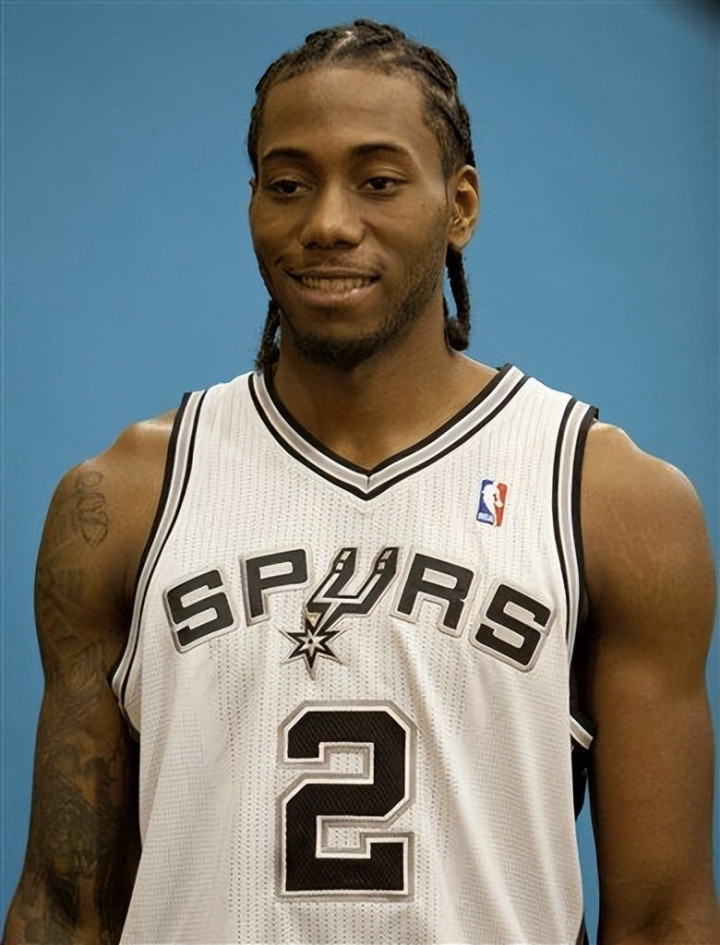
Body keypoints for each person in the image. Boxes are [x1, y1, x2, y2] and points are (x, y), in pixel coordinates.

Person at [3, 18, 718, 945]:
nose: (328, 224)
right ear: (253, 203)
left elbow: (664, 918)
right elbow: (62, 910)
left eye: (378, 181)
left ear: (459, 205)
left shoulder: (607, 499)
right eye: (288, 184)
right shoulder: (128, 498)